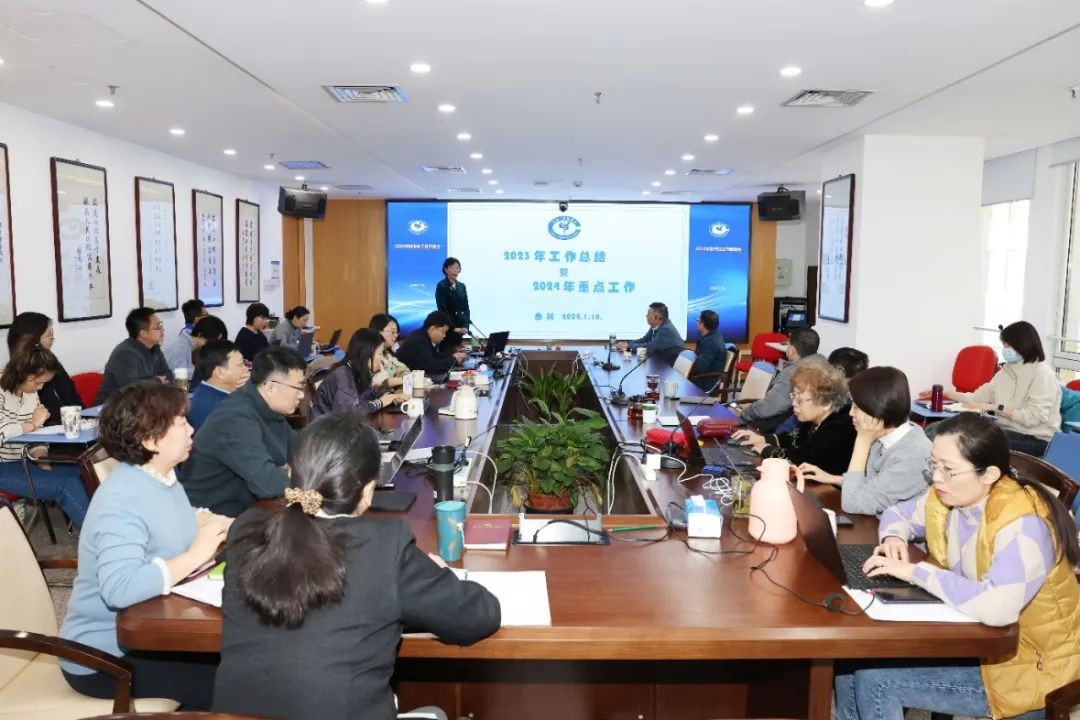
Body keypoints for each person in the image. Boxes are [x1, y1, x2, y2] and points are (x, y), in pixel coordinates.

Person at [213, 414, 501, 720]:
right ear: (367, 492)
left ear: (293, 473)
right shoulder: (385, 547)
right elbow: (478, 616)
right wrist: (438, 574)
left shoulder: (245, 531)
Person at [835, 412, 1080, 720]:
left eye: (948, 469)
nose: (937, 478)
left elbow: (998, 609)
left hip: (1030, 663)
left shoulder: (1024, 523)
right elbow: (899, 513)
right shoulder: (949, 495)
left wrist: (916, 572)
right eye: (933, 465)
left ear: (989, 474)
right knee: (849, 660)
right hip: (977, 636)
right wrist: (894, 537)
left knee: (878, 682)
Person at [59, 382, 233, 709]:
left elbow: (173, 520)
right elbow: (119, 588)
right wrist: (197, 553)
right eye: (181, 422)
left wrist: (218, 523)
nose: (191, 429)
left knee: (245, 660)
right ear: (150, 440)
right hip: (104, 657)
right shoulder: (121, 497)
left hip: (148, 634)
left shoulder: (159, 476)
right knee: (235, 681)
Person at [180, 347, 303, 516]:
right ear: (271, 388)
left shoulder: (268, 408)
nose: (302, 396)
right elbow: (268, 483)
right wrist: (292, 472)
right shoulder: (235, 417)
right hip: (209, 518)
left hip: (247, 508)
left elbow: (303, 452)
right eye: (298, 388)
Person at [802, 366, 931, 516]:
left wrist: (862, 440)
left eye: (857, 407)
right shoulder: (885, 437)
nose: (851, 413)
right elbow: (873, 485)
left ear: (877, 409)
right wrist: (834, 479)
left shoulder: (913, 456)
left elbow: (853, 503)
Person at [925, 321, 1060, 456]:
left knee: (966, 438)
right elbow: (974, 399)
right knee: (936, 428)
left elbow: (1033, 418)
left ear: (1024, 344)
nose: (1005, 349)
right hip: (1006, 431)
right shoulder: (1004, 373)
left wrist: (996, 407)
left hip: (1037, 440)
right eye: (1004, 344)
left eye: (1009, 345)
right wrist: (944, 393)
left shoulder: (1043, 375)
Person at [0, 339, 90, 527]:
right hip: (3, 466)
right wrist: (32, 424)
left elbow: (36, 437)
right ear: (23, 374)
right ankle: (100, 538)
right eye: (38, 383)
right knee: (65, 484)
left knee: (84, 473)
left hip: (25, 460)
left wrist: (42, 458)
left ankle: (106, 530)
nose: (40, 388)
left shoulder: (31, 393)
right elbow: (4, 432)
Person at [731, 361, 856, 475]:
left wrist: (766, 449)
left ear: (825, 403)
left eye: (800, 400)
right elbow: (794, 439)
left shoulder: (839, 427)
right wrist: (762, 438)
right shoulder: (814, 418)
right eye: (794, 396)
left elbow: (801, 459)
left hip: (827, 490)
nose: (794, 403)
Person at [739, 328, 825, 433]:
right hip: (813, 427)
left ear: (792, 351)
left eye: (788, 344)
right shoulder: (825, 364)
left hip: (785, 428)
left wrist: (745, 413)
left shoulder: (793, 373)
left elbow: (769, 407)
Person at [310, 329, 408, 421]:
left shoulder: (358, 371)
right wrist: (380, 402)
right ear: (366, 354)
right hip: (325, 430)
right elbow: (349, 413)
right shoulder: (342, 374)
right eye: (380, 353)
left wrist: (390, 396)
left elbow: (369, 395)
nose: (382, 359)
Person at [5, 311, 82, 419]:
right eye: (49, 335)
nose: (52, 339)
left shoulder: (52, 364)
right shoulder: (20, 377)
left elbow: (73, 400)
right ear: (32, 341)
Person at [95, 307, 173, 405]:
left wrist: (154, 382)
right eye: (158, 327)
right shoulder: (125, 353)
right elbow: (132, 388)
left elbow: (167, 376)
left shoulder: (155, 348)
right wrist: (157, 381)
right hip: (114, 408)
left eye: (161, 325)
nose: (163, 330)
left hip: (145, 403)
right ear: (143, 333)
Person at [187, 339, 250, 431]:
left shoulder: (203, 391)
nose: (246, 369)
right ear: (220, 372)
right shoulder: (224, 408)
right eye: (240, 365)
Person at [395, 311, 467, 376]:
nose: (444, 336)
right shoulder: (419, 340)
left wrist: (454, 356)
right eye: (443, 332)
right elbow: (431, 366)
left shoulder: (423, 335)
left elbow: (435, 356)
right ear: (433, 329)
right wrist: (454, 359)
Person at [616, 302, 686, 366]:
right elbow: (644, 340)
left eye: (649, 314)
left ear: (657, 317)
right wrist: (627, 344)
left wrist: (628, 346)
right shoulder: (656, 326)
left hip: (670, 367)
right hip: (662, 363)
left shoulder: (666, 330)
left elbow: (650, 348)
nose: (646, 316)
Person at [435, 257, 471, 352]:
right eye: (452, 268)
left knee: (459, 353)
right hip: (448, 328)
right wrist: (453, 328)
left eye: (457, 268)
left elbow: (465, 307)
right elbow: (442, 309)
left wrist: (466, 326)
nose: (455, 270)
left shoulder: (462, 286)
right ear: (446, 270)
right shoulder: (441, 285)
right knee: (448, 353)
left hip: (460, 328)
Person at [688, 309, 728, 393]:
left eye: (698, 320)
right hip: (706, 379)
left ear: (702, 324)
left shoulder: (710, 343)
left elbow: (699, 368)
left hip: (705, 384)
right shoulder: (715, 336)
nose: (697, 323)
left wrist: (687, 364)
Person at [369, 313, 410, 389]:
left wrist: (405, 375)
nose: (396, 335)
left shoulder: (387, 353)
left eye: (397, 332)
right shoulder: (369, 354)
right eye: (392, 332)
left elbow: (402, 368)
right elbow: (378, 382)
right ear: (378, 332)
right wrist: (405, 379)